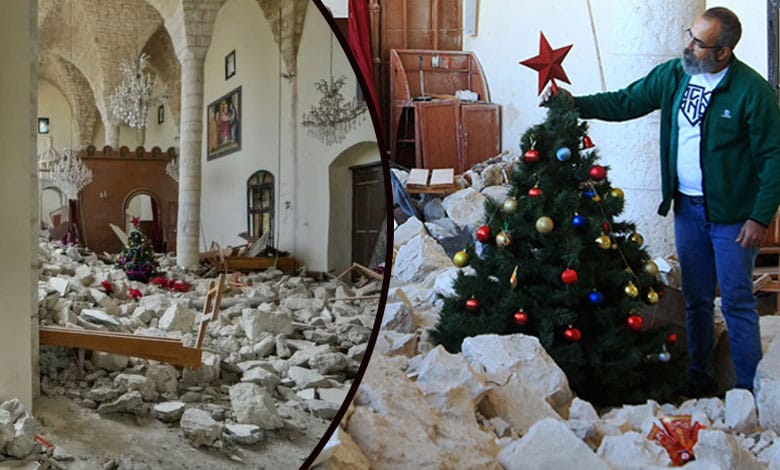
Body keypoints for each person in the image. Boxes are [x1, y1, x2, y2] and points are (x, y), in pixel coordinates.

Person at [549, 7, 780, 396]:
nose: (687, 46)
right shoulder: (675, 76)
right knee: (697, 299)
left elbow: (774, 157)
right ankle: (699, 380)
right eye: (690, 35)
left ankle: (747, 390)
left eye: (698, 43)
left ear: (723, 52)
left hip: (733, 219)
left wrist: (759, 217)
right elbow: (625, 102)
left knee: (738, 301)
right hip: (687, 210)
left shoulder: (752, 92)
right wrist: (574, 105)